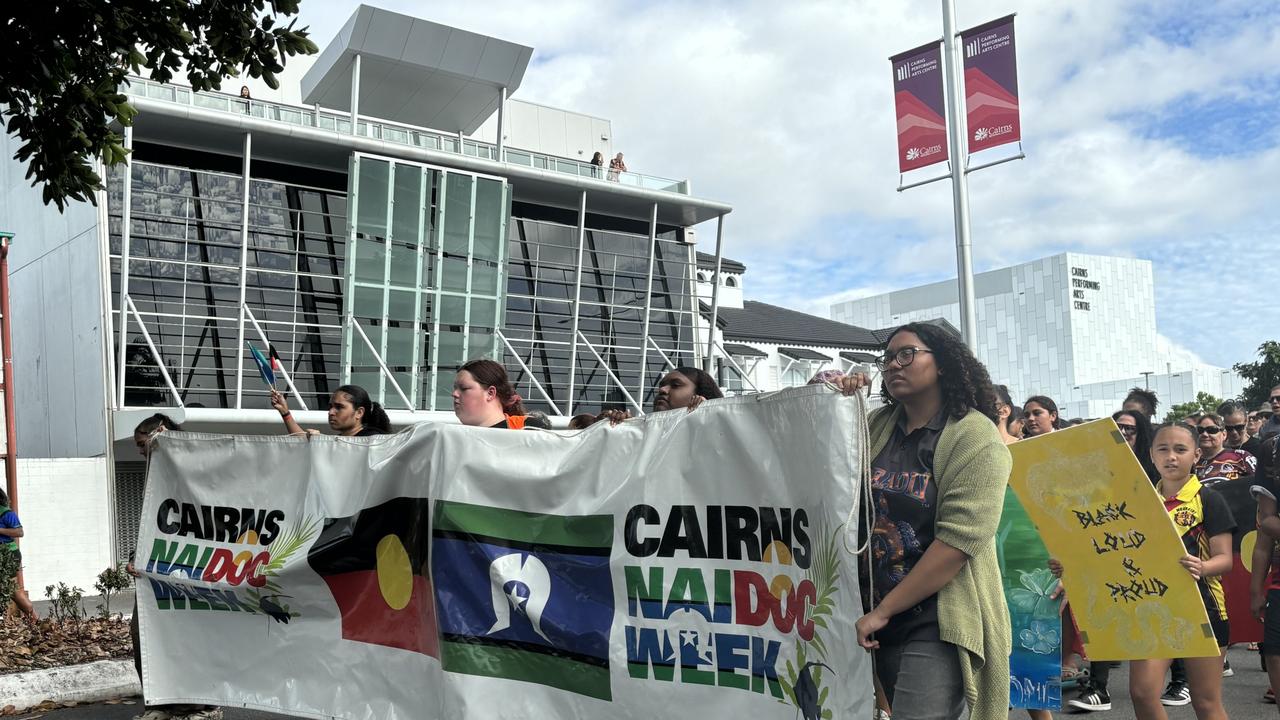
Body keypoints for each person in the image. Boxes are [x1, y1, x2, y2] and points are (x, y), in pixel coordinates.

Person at [840, 321, 1011, 720]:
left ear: (944, 364)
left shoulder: (975, 437)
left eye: (907, 354)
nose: (893, 365)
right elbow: (823, 462)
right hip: (875, 613)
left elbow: (957, 544)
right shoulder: (876, 425)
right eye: (887, 359)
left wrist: (884, 611)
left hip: (938, 618)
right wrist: (838, 398)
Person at [1128, 423, 1233, 720]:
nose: (1171, 457)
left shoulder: (1209, 499)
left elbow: (1225, 559)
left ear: (1196, 455)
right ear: (1151, 455)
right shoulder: (1139, 502)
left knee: (1205, 702)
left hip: (1204, 610)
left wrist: (1203, 566)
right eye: (1163, 449)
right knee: (1142, 692)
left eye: (1180, 449)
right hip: (1151, 609)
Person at [129, 414, 223, 720]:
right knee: (144, 634)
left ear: (160, 434)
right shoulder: (156, 475)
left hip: (191, 567)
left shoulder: (198, 465)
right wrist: (137, 556)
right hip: (155, 568)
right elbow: (151, 524)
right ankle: (161, 702)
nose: (141, 453)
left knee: (189, 637)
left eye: (143, 445)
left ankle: (203, 705)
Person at [598, 367, 723, 425]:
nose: (662, 389)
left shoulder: (716, 429)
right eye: (661, 385)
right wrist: (622, 428)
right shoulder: (641, 431)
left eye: (675, 385)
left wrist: (707, 414)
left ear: (700, 394)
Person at [270, 385, 391, 436]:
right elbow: (300, 438)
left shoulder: (374, 440)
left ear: (359, 412)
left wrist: (323, 441)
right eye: (330, 407)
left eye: (339, 407)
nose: (331, 412)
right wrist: (285, 412)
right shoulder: (342, 439)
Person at [451, 358, 530, 428]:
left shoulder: (529, 428)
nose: (454, 393)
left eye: (464, 388)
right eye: (455, 388)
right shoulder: (449, 436)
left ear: (490, 393)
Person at [0, 489, 37, 623]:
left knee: (11, 589)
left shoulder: (6, 513)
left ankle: (34, 619)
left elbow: (19, 532)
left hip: (8, 555)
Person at [1193, 413, 1257, 487]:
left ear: (1224, 434)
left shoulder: (1242, 457)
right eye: (1200, 430)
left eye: (1212, 430)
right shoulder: (1190, 463)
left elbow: (1260, 484)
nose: (1204, 434)